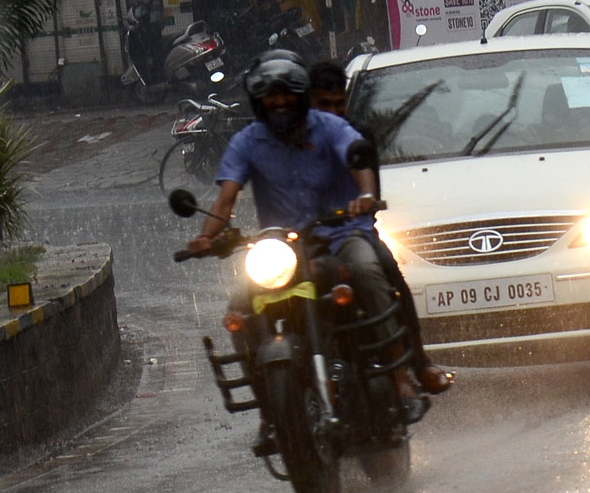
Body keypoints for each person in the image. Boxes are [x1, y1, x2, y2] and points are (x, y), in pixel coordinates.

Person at [184, 49, 431, 447]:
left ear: (301, 97)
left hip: (340, 234)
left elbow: (359, 161)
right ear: (258, 102)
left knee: (369, 270)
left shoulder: (329, 127)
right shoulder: (246, 141)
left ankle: (402, 379)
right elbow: (224, 201)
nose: (278, 102)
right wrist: (206, 237)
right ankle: (271, 412)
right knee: (239, 305)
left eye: (286, 94)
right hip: (282, 249)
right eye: (270, 96)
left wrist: (366, 195)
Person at [309, 58, 454, 396]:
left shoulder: (359, 136)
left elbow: (370, 191)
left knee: (387, 273)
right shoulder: (292, 139)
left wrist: (365, 200)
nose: (333, 112)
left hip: (351, 231)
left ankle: (412, 366)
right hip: (302, 239)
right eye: (323, 104)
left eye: (338, 104)